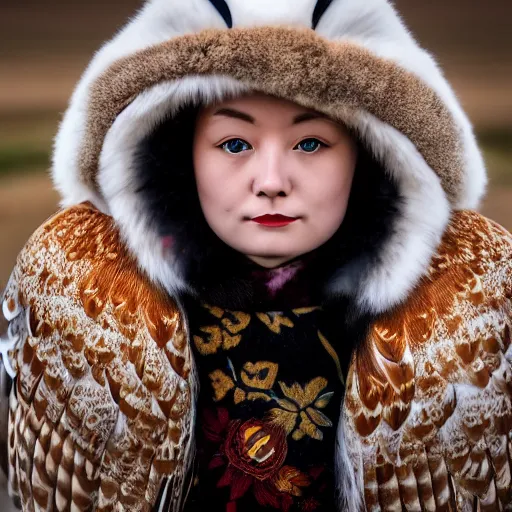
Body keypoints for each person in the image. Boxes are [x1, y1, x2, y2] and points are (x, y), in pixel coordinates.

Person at [1, 1, 511, 511]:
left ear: (375, 153)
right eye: (234, 142)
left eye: (310, 143)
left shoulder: (457, 294)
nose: (271, 182)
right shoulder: (90, 279)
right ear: (174, 152)